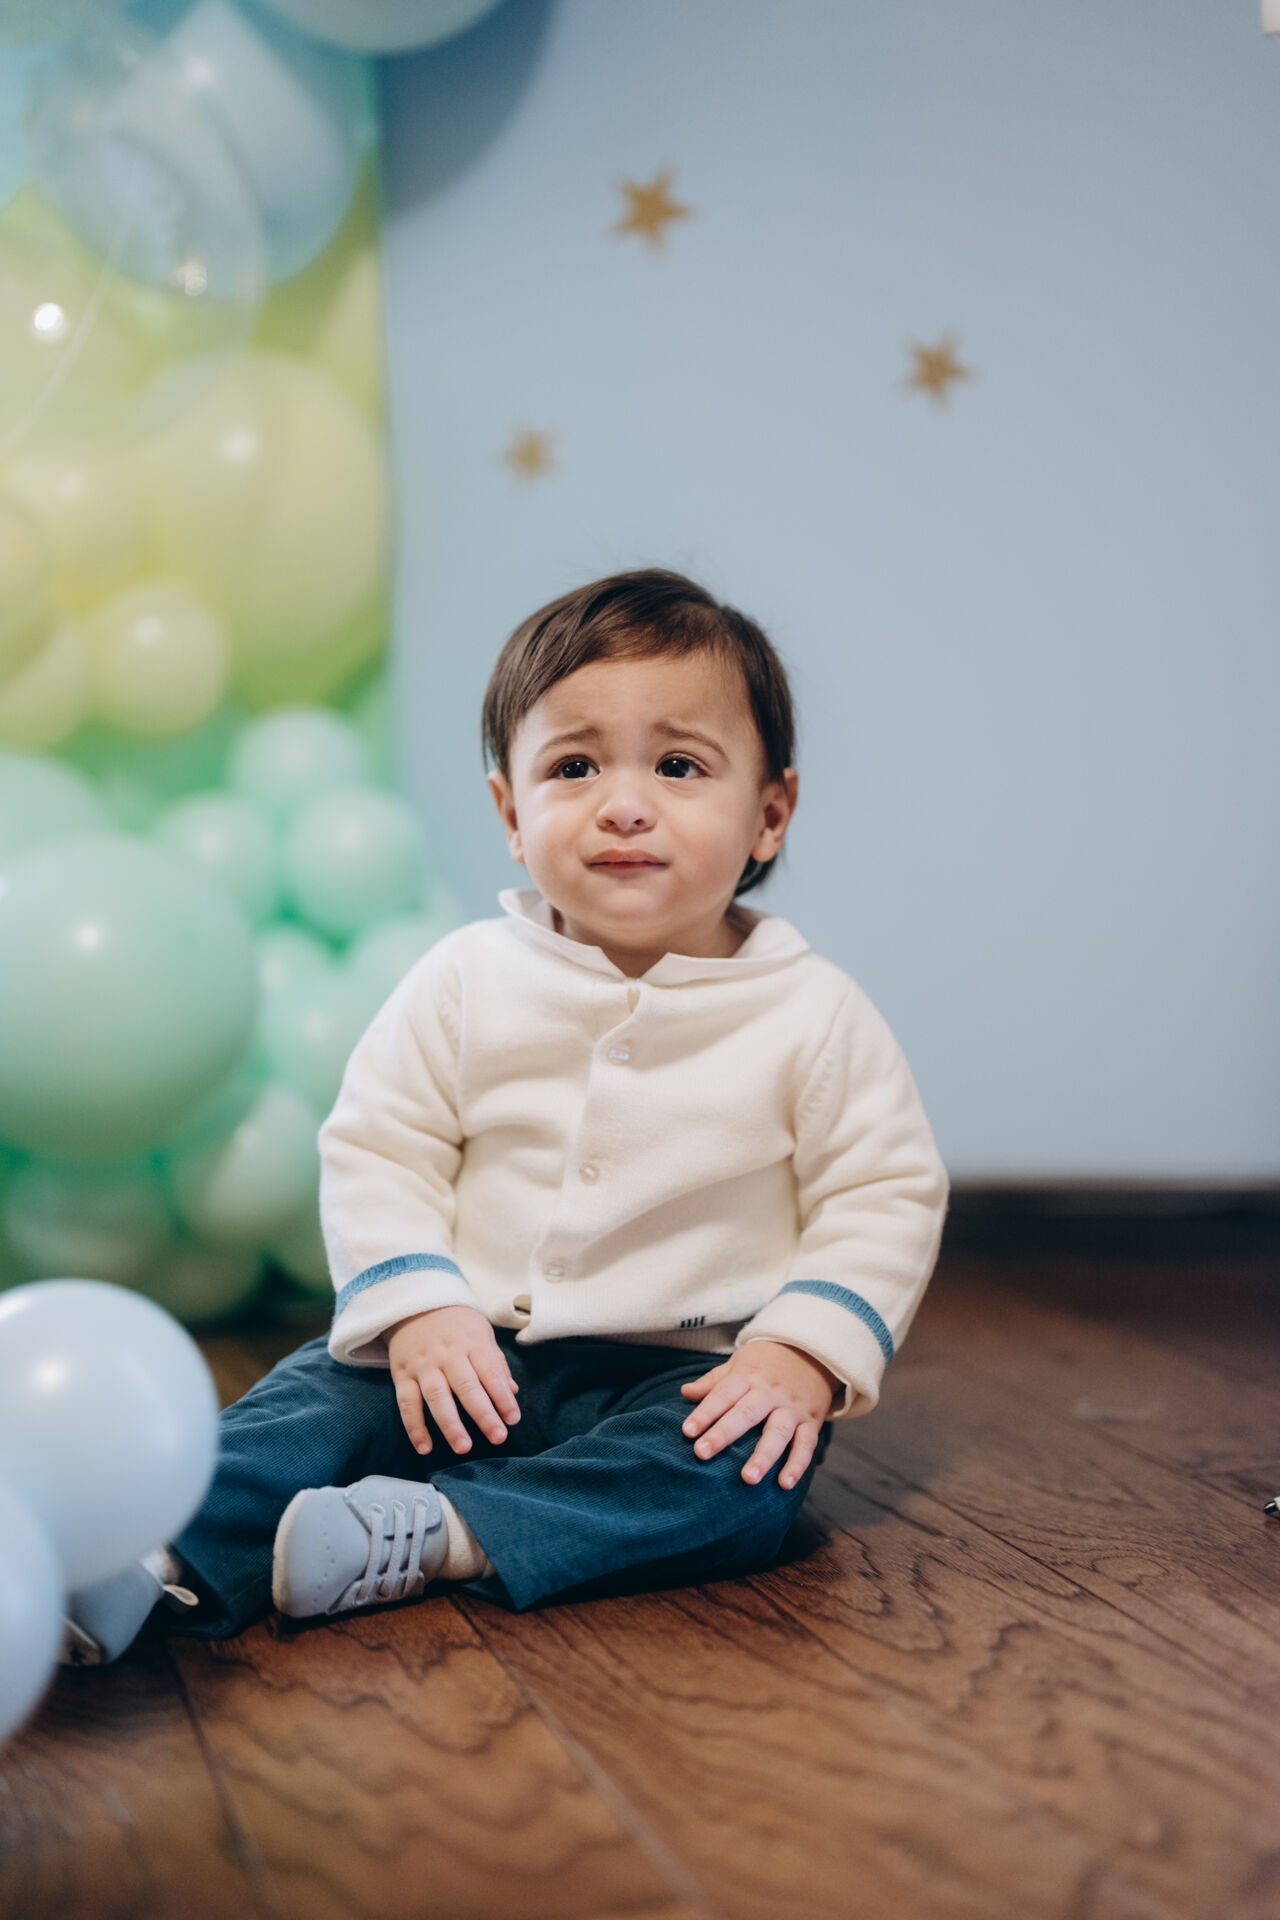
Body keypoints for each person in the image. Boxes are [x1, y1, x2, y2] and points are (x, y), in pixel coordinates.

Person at [61, 567, 949, 1664]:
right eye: (574, 767)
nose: (623, 804)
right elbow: (382, 1145)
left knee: (742, 1476)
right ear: (511, 814)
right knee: (312, 1407)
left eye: (678, 766)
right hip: (466, 1341)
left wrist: (801, 1354)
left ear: (769, 814)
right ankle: (151, 1554)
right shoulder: (465, 979)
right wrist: (420, 1306)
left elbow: (882, 1192)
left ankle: (441, 1534)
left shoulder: (811, 1012)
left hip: (682, 1370)